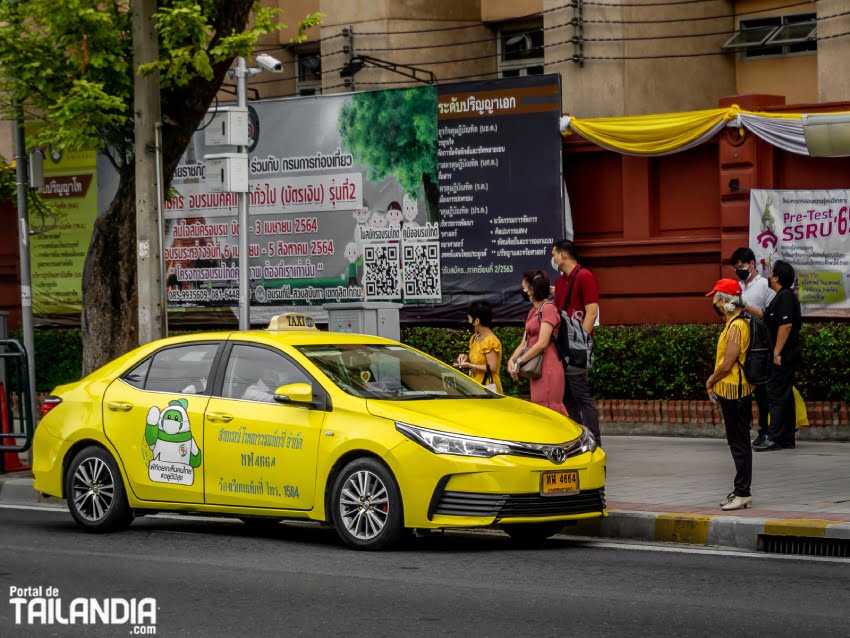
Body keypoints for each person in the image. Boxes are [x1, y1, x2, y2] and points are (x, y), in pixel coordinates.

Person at [705, 278, 755, 511]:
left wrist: (711, 380)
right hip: (731, 390)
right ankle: (739, 489)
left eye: (716, 298)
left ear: (725, 301)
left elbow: (728, 364)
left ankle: (743, 492)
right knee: (737, 442)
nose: (713, 302)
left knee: (739, 443)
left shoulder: (736, 326)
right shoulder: (734, 323)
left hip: (735, 391)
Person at [551, 239, 601, 443]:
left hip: (576, 348)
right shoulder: (562, 281)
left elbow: (591, 312)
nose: (553, 258)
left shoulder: (584, 276)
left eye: (554, 254)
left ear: (563, 255)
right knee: (567, 398)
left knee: (581, 395)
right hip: (563, 347)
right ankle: (579, 440)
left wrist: (580, 344)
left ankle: (595, 441)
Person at [753, 260, 802, 452]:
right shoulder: (780, 297)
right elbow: (765, 315)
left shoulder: (786, 297)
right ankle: (786, 438)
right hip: (783, 353)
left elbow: (786, 325)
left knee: (775, 395)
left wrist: (776, 352)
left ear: (776, 277)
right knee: (785, 395)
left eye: (770, 272)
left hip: (783, 355)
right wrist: (742, 306)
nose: (768, 275)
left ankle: (774, 437)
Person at [730, 247, 776, 447]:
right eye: (736, 268)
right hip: (740, 342)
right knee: (742, 389)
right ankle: (743, 429)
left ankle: (765, 431)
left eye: (741, 266)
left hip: (759, 345)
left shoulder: (765, 285)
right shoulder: (738, 286)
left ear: (752, 264)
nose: (739, 270)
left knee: (762, 390)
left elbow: (769, 315)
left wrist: (744, 307)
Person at [507, 270, 568, 416]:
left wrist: (520, 361)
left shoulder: (548, 309)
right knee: (540, 412)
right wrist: (512, 360)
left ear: (532, 289)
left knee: (550, 412)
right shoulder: (532, 312)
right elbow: (524, 343)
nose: (523, 291)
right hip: (538, 369)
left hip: (548, 367)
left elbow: (542, 343)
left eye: (524, 288)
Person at [455, 300, 503, 393]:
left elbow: (492, 367)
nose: (468, 322)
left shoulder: (491, 341)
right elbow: (478, 359)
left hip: (489, 387)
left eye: (469, 319)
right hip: (475, 385)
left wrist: (470, 365)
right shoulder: (474, 338)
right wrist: (466, 358)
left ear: (476, 321)